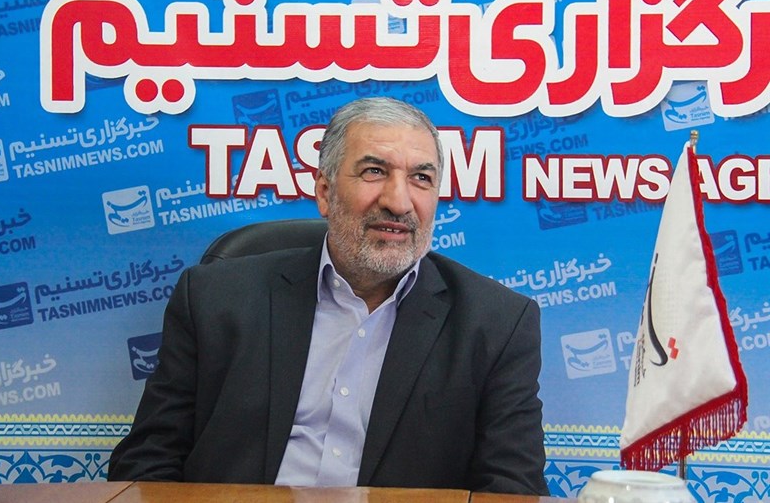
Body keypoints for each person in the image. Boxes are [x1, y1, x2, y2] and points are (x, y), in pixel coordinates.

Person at [108, 97, 549, 495]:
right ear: (324, 191)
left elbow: (512, 490)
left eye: (421, 178)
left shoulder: (497, 325)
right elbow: (147, 464)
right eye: (374, 171)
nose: (399, 202)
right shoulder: (213, 298)